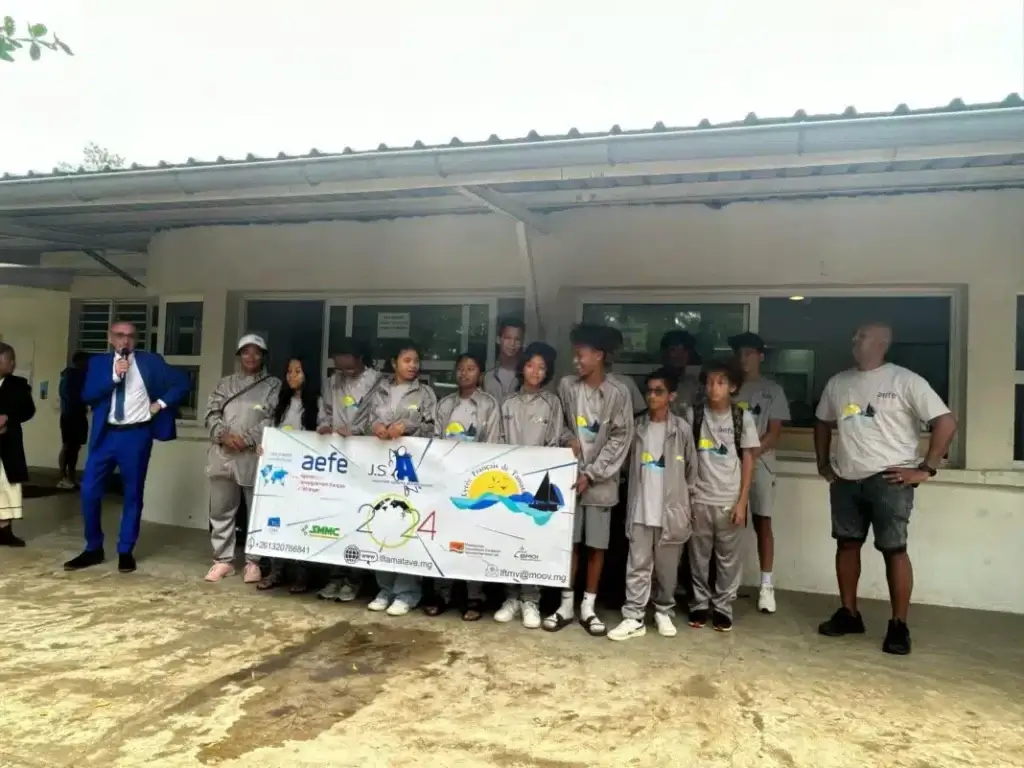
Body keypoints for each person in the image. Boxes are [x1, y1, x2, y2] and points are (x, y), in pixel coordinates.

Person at [814, 323, 956, 656]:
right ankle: (849, 613)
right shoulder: (839, 382)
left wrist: (926, 468)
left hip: (890, 479)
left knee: (894, 549)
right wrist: (823, 462)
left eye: (861, 336)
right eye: (855, 335)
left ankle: (898, 625)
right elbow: (822, 421)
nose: (854, 340)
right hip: (846, 479)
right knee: (847, 544)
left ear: (881, 343)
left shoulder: (905, 380)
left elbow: (946, 421)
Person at [63, 321, 189, 574]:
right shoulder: (99, 363)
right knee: (89, 491)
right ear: (110, 338)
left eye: (130, 336)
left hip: (136, 434)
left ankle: (125, 550)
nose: (125, 341)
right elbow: (87, 395)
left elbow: (183, 382)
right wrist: (114, 377)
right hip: (105, 435)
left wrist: (161, 404)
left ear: (136, 339)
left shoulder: (151, 361)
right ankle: (93, 548)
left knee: (132, 494)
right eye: (120, 336)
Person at [544, 324, 633, 636]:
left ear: (599, 356)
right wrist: (568, 438)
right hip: (568, 480)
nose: (576, 361)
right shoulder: (567, 387)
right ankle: (565, 605)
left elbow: (621, 438)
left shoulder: (619, 393)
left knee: (596, 546)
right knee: (570, 545)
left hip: (600, 484)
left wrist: (591, 474)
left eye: (581, 355)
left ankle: (588, 608)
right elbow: (558, 424)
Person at [608, 367, 697, 641]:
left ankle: (663, 610)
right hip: (641, 508)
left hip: (671, 511)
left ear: (671, 396)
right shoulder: (637, 427)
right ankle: (634, 616)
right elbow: (623, 465)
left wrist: (686, 507)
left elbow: (692, 472)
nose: (652, 396)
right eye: (649, 391)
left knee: (667, 568)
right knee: (637, 564)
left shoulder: (681, 429)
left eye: (659, 391)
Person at [357, 339, 437, 616]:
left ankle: (407, 592)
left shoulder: (425, 394)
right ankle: (385, 587)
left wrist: (408, 426)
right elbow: (363, 421)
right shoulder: (378, 390)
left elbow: (433, 428)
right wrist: (375, 426)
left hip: (410, 471)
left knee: (405, 526)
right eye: (407, 360)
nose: (413, 366)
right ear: (394, 363)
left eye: (416, 361)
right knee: (380, 524)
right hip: (379, 469)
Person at [426, 352, 503, 620]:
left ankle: (474, 596)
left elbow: (492, 445)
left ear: (480, 374)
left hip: (475, 484)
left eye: (471, 368)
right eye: (460, 368)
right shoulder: (444, 404)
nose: (464, 373)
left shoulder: (489, 405)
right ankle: (441, 592)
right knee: (444, 537)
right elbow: (435, 441)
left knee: (473, 540)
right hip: (447, 481)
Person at [688, 358, 760, 632]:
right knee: (698, 556)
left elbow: (749, 460)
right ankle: (698, 604)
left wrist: (742, 501)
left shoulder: (742, 417)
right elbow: (685, 456)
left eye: (720, 382)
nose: (713, 387)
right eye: (709, 381)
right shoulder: (694, 415)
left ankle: (723, 607)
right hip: (699, 497)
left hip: (730, 499)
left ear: (733, 387)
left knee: (728, 559)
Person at [202, 334, 281, 583]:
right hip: (222, 454)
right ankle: (222, 560)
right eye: (245, 352)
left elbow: (272, 418)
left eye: (256, 352)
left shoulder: (274, 385)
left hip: (253, 455)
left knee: (256, 510)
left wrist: (246, 439)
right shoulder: (225, 384)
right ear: (238, 356)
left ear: (264, 356)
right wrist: (223, 435)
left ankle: (253, 562)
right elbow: (211, 413)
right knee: (221, 510)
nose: (251, 357)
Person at [495, 341, 563, 629]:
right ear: (522, 367)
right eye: (531, 365)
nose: (536, 371)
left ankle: (531, 600)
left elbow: (555, 441)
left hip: (537, 486)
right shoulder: (508, 403)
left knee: (533, 542)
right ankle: (510, 597)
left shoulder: (552, 403)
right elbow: (497, 440)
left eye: (542, 367)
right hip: (510, 485)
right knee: (509, 540)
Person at [729, 332, 791, 614]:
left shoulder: (772, 389)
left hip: (761, 463)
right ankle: (728, 583)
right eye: (740, 353)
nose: (744, 359)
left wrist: (751, 455)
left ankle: (766, 585)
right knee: (729, 524)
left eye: (749, 353)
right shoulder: (729, 387)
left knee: (763, 523)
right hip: (728, 466)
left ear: (760, 356)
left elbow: (775, 432)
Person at [316, 338, 381, 602]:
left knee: (360, 519)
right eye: (339, 369)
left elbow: (377, 416)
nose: (343, 374)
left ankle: (354, 579)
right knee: (335, 519)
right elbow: (326, 409)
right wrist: (323, 424)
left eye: (349, 370)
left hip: (365, 459)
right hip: (336, 460)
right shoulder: (332, 381)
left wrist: (356, 432)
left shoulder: (377, 382)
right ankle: (334, 577)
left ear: (360, 359)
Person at [257, 357, 320, 592]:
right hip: (280, 475)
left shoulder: (317, 403)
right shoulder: (279, 402)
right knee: (276, 523)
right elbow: (267, 429)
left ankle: (303, 574)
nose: (293, 376)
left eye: (298, 371)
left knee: (302, 523)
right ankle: (277, 571)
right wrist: (261, 443)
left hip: (305, 475)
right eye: (289, 371)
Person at [0, 343, 36, 547]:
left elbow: (28, 411)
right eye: (8, 359)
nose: (13, 363)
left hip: (8, 444)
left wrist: (8, 418)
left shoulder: (18, 385)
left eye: (13, 360)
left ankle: (5, 530)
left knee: (8, 486)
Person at [57, 351, 89, 490]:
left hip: (79, 415)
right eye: (85, 361)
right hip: (70, 415)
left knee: (75, 447)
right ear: (79, 362)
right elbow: (67, 395)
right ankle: (63, 476)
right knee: (68, 446)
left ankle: (71, 476)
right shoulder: (70, 375)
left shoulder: (84, 376)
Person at [605, 327, 648, 417]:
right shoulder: (576, 385)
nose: (614, 352)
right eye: (609, 349)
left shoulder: (626, 383)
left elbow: (640, 416)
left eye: (616, 348)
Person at [660, 330, 701, 418]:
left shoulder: (697, 380)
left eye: (674, 349)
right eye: (671, 350)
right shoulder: (656, 380)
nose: (672, 354)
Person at [484, 316, 524, 402]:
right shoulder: (487, 377)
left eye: (517, 339)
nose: (512, 343)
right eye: (508, 338)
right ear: (499, 340)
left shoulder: (526, 377)